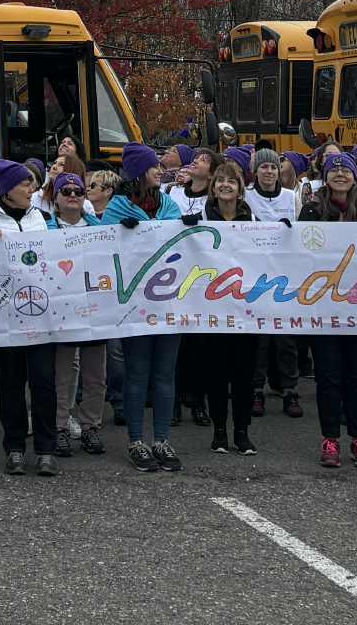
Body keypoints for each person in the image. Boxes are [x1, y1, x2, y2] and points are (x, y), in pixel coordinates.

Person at [106, 145, 185, 473]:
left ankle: (162, 439)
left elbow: (182, 242)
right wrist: (116, 232)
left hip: (169, 299)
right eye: (153, 166)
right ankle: (137, 440)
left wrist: (188, 227)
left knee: (165, 375)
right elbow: (103, 246)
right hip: (134, 302)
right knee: (137, 374)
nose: (159, 170)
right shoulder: (117, 207)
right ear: (139, 171)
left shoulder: (168, 203)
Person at [0, 160, 58, 475]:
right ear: (8, 189)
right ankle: (13, 447)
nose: (32, 189)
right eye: (26, 184)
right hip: (5, 316)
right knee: (10, 382)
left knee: (43, 382)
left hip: (41, 313)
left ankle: (45, 449)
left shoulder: (42, 217)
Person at [303, 151, 357, 470]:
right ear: (325, 176)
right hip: (323, 307)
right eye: (334, 170)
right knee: (329, 377)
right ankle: (330, 437)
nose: (340, 175)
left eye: (346, 170)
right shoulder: (312, 209)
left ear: (354, 177)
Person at [186, 160, 257, 456]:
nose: (225, 185)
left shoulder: (254, 221)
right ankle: (219, 431)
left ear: (240, 189)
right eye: (220, 181)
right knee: (216, 372)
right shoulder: (201, 218)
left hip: (246, 310)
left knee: (245, 373)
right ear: (213, 189)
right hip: (213, 310)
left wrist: (285, 232)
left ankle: (242, 431)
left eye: (231, 181)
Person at [47, 171, 109, 458]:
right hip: (60, 312)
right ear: (56, 198)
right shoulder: (44, 230)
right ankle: (59, 426)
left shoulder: (102, 229)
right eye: (66, 191)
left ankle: (90, 426)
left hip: (95, 309)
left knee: (95, 374)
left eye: (78, 191)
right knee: (62, 373)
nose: (73, 195)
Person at [245, 149, 301, 420]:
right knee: (260, 338)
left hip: (285, 275)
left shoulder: (291, 198)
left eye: (273, 167)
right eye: (263, 167)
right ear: (255, 171)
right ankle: (256, 389)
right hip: (255, 275)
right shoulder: (246, 195)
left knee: (285, 337)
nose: (269, 172)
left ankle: (290, 389)